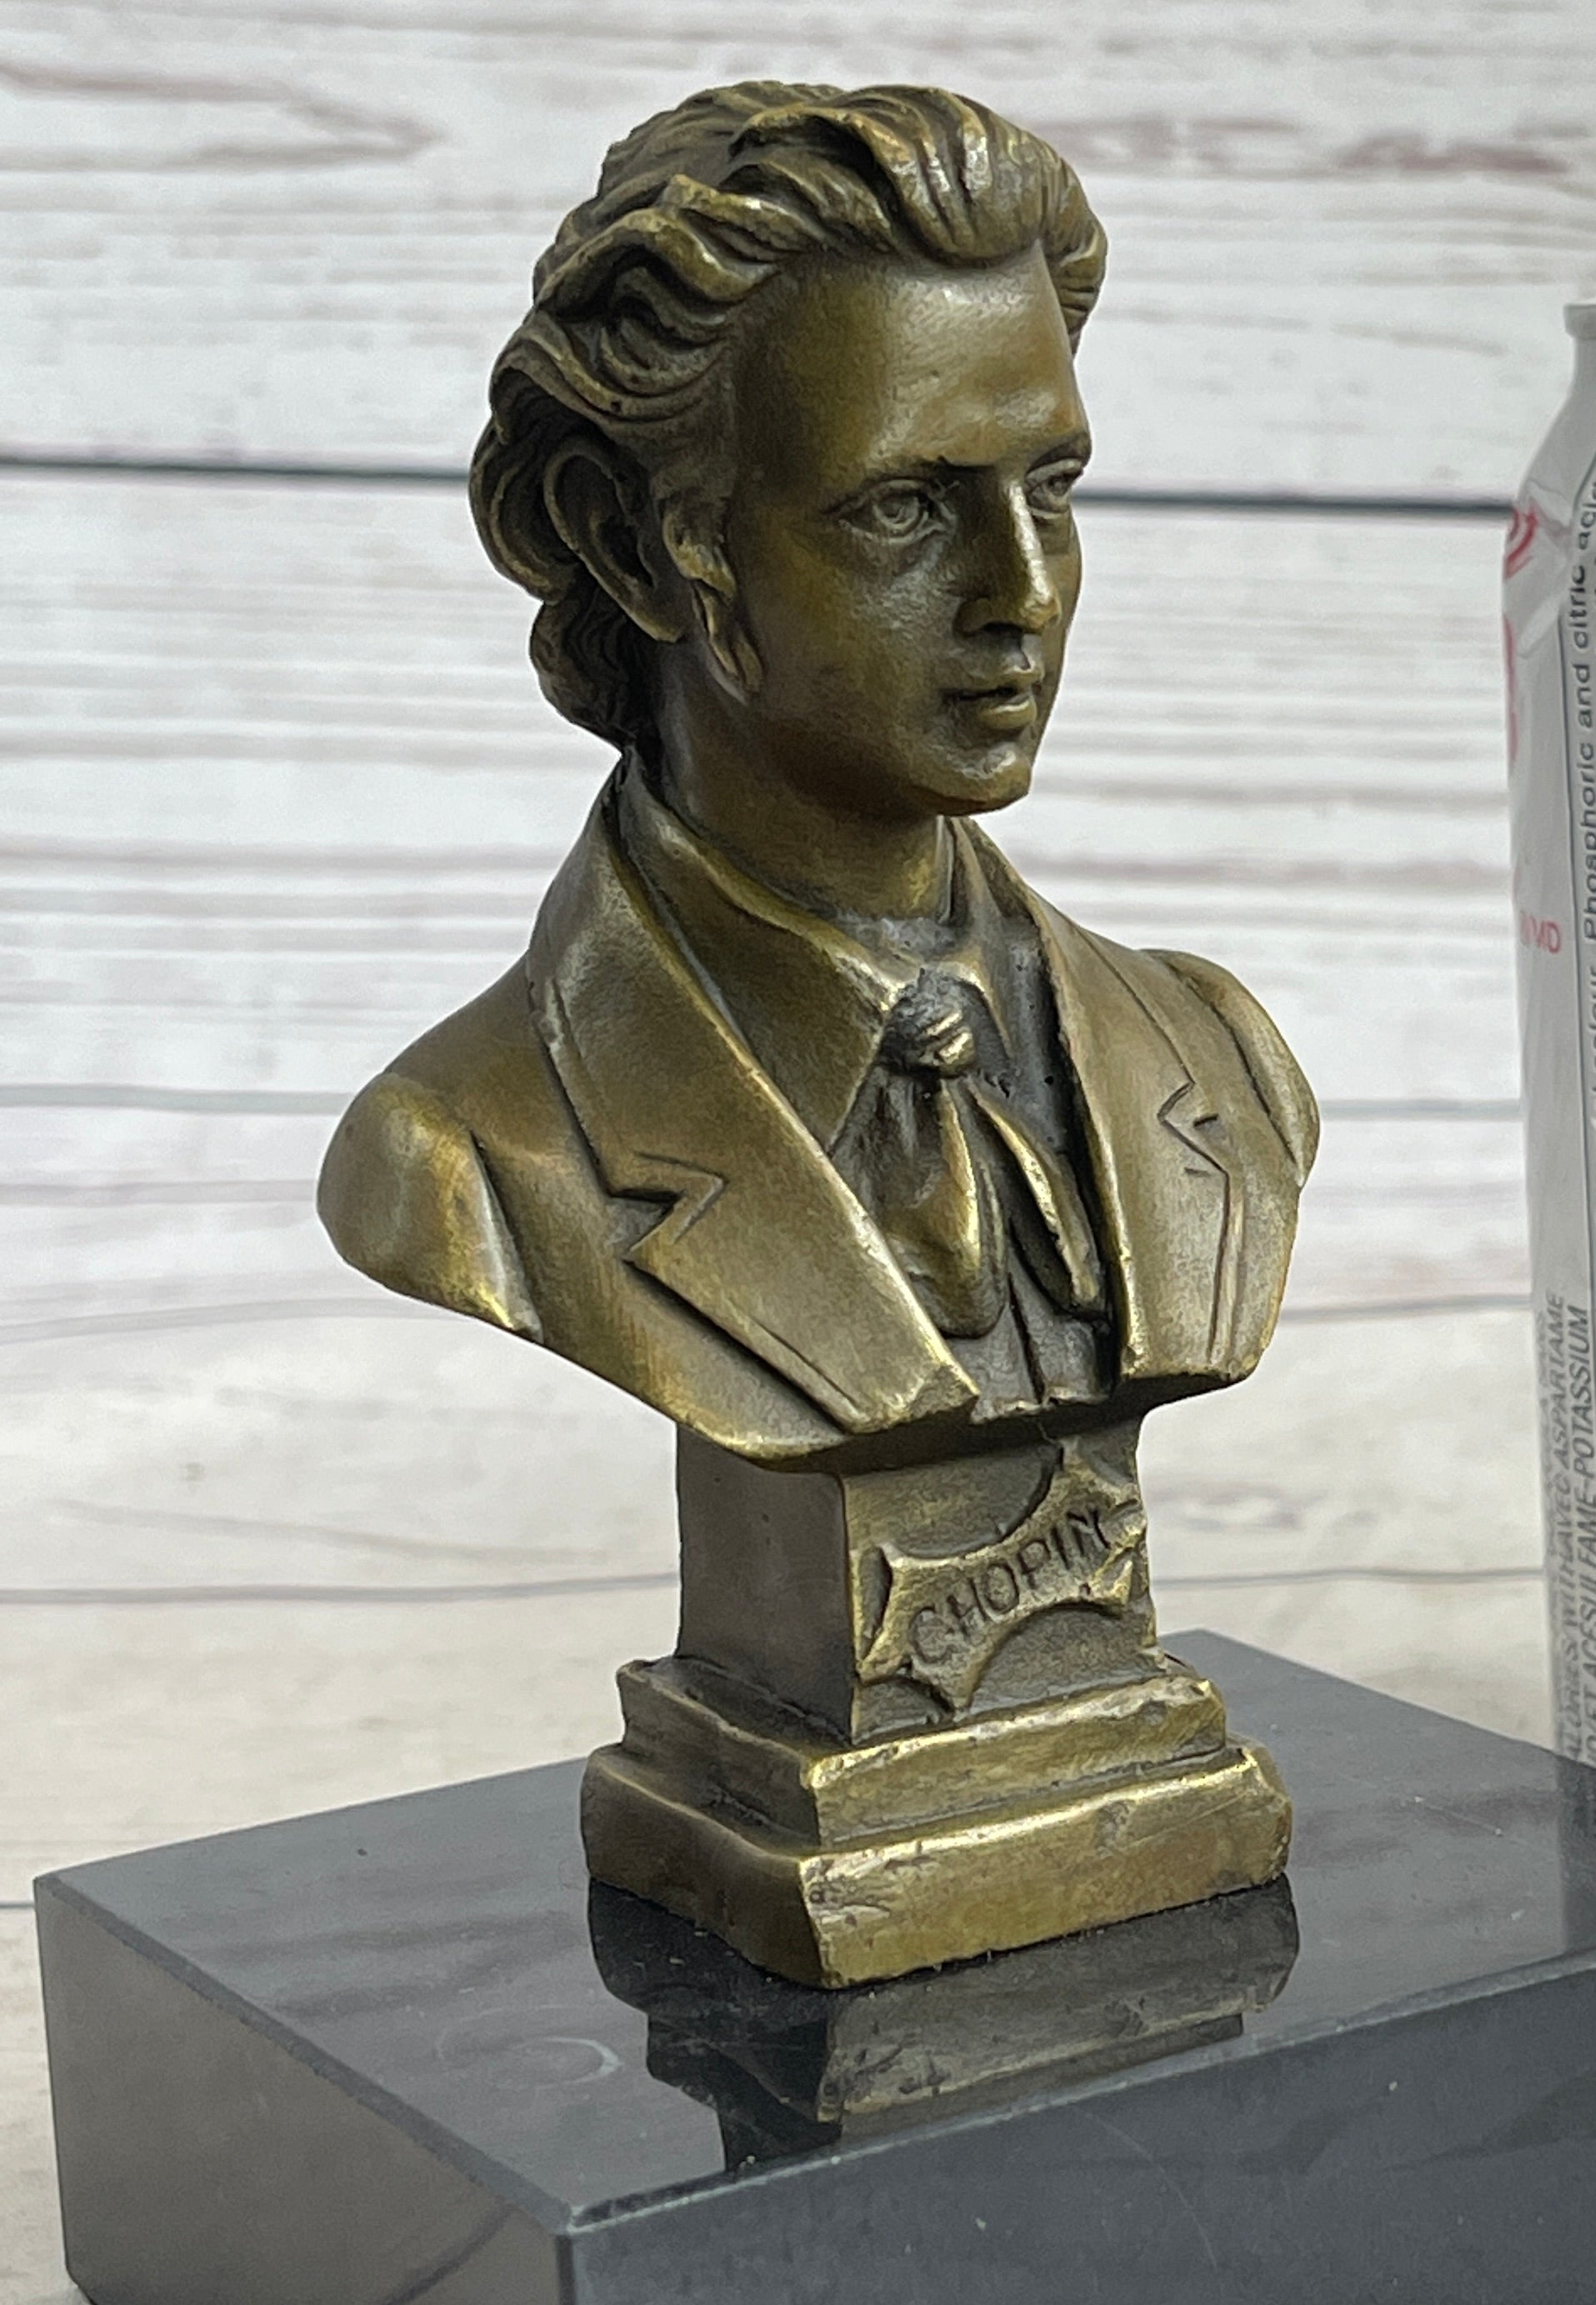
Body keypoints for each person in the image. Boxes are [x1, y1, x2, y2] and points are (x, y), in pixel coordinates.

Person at [318, 82, 1317, 1469]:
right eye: (903, 507)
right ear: (633, 545)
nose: (1022, 593)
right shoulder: (466, 1152)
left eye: (1050, 489)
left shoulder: (1216, 1056)